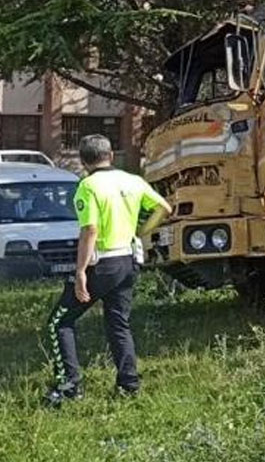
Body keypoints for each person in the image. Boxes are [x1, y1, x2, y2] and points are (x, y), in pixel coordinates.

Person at [43, 135, 171, 407]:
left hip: (101, 264)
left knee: (59, 322)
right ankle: (129, 384)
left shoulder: (87, 186)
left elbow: (90, 230)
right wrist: (141, 231)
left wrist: (80, 272)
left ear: (83, 161)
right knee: (118, 323)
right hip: (127, 261)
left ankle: (69, 386)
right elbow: (164, 208)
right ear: (111, 155)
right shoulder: (132, 180)